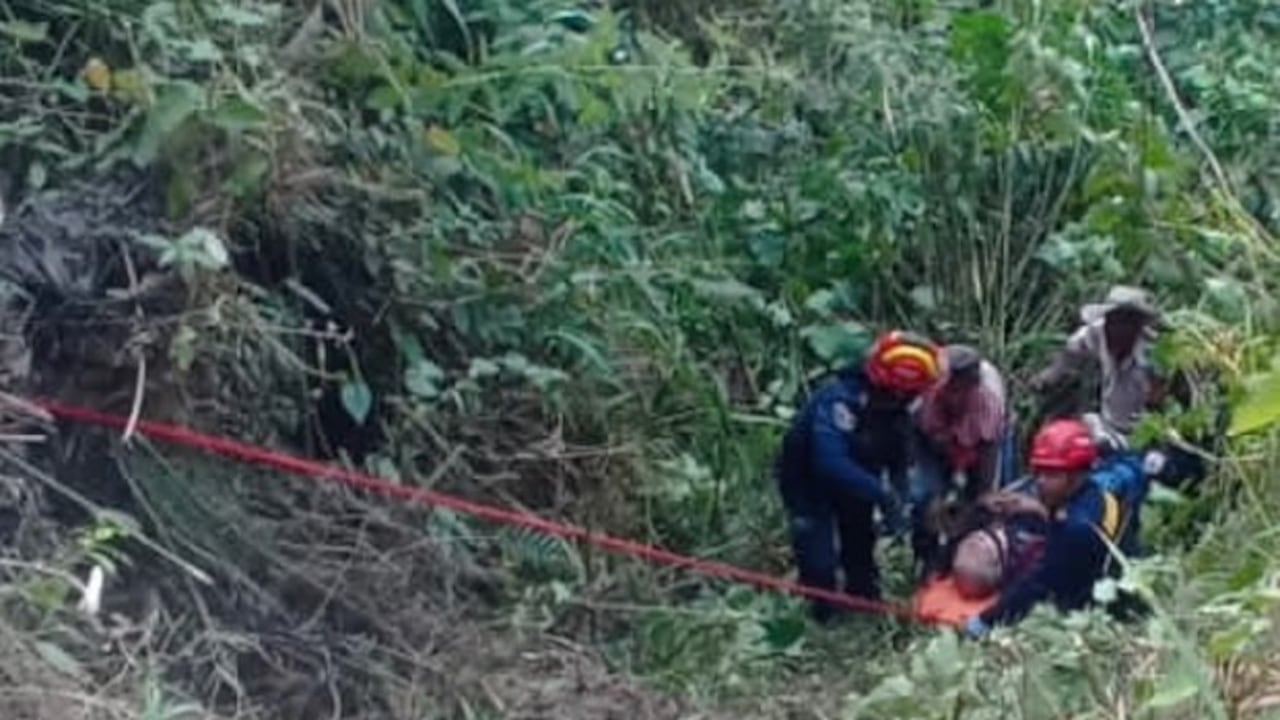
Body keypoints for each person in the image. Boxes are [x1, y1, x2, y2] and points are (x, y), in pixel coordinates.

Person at [775, 330, 943, 623]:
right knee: (819, 561)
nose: (899, 400)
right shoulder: (840, 400)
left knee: (860, 544)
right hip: (808, 481)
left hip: (859, 480)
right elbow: (830, 462)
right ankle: (822, 614)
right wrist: (883, 493)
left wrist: (900, 498)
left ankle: (865, 605)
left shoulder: (902, 408)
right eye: (894, 394)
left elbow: (899, 458)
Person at [963, 418, 1148, 637]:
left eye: (1052, 474)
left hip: (1105, 612)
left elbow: (1037, 585)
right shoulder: (1098, 494)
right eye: (1039, 472)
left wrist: (984, 621)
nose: (1040, 482)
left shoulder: (1076, 529)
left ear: (1076, 475)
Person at [910, 344, 1015, 570]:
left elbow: (989, 454)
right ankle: (926, 560)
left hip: (984, 440)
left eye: (963, 390)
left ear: (972, 387)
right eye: (952, 389)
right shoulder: (924, 393)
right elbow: (918, 438)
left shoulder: (988, 403)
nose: (956, 397)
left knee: (989, 502)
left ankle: (972, 559)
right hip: (932, 440)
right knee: (924, 497)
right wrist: (936, 495)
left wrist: (982, 496)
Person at [1030, 286, 1163, 439]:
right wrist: (1046, 378)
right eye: (1114, 320)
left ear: (1137, 325)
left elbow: (1159, 396)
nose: (1118, 329)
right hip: (1102, 427)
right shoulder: (1093, 335)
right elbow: (1066, 357)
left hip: (1141, 433)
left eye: (1126, 322)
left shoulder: (1152, 350)